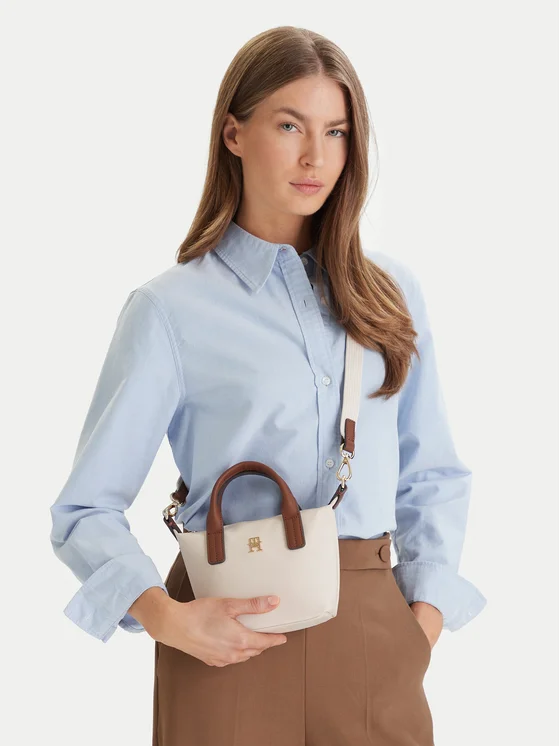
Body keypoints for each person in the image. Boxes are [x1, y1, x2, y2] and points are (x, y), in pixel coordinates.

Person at [49, 25, 487, 746]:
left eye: (336, 132)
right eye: (290, 126)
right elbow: (86, 507)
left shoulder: (390, 293)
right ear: (234, 133)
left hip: (375, 633)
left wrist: (422, 624)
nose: (317, 156)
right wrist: (167, 618)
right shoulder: (170, 309)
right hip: (223, 643)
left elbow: (433, 472)